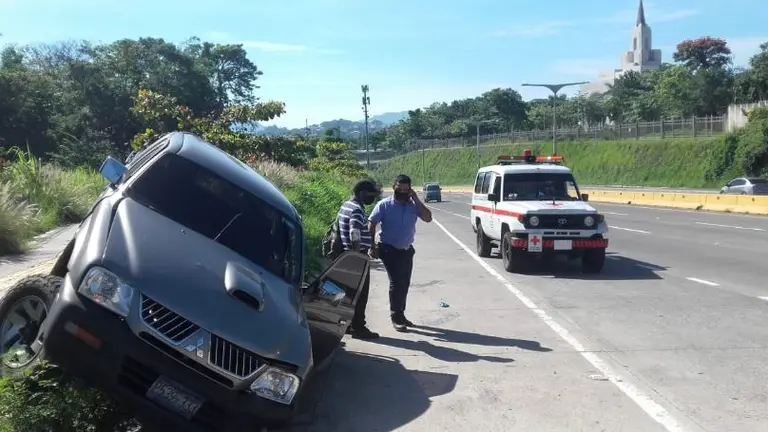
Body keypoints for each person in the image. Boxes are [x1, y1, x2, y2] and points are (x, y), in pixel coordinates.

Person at [369, 174, 432, 332]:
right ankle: (396, 317)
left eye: (406, 189)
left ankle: (401, 314)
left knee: (404, 283)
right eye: (399, 189)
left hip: (406, 250)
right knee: (396, 282)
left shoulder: (413, 206)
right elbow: (372, 223)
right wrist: (372, 246)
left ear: (410, 190)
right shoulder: (384, 205)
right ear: (393, 187)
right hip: (388, 248)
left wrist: (416, 199)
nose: (402, 192)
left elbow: (428, 218)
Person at [338, 178, 380, 339]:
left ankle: (349, 324)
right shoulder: (356, 209)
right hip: (356, 255)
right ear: (362, 193)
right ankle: (358, 327)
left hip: (346, 255)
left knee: (350, 293)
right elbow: (354, 232)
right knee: (360, 294)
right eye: (370, 195)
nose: (372, 198)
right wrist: (357, 255)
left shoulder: (346, 205)